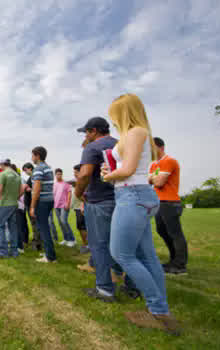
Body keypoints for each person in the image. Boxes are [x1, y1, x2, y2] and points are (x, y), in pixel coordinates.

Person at [103, 93, 180, 335]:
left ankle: (158, 311)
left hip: (132, 196)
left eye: (114, 114)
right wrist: (112, 170)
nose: (113, 119)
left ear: (123, 113)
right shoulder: (137, 133)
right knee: (147, 257)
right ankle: (160, 310)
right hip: (135, 194)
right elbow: (130, 168)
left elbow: (126, 170)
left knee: (121, 253)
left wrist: (108, 175)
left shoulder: (135, 132)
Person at [75, 116, 137, 301]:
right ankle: (132, 286)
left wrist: (78, 193)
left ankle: (104, 289)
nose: (86, 136)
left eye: (86, 132)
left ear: (93, 131)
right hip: (124, 199)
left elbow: (85, 174)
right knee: (126, 245)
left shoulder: (92, 147)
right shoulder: (121, 144)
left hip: (99, 201)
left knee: (99, 245)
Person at [149, 137, 188, 276]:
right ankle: (174, 260)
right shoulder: (154, 164)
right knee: (162, 230)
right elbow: (149, 180)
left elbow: (158, 182)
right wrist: (154, 178)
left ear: (161, 147)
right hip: (159, 202)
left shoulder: (169, 161)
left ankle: (180, 266)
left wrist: (154, 178)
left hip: (170, 202)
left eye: (151, 147)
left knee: (175, 234)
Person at [29, 147, 57, 263]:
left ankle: (50, 257)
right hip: (49, 200)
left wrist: (32, 206)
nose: (31, 158)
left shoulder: (39, 168)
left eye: (32, 155)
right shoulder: (48, 167)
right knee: (45, 227)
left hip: (42, 201)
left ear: (37, 156)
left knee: (43, 228)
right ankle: (48, 252)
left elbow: (37, 188)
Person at [0, 159, 23, 258]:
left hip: (4, 204)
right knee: (13, 228)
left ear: (2, 165)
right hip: (14, 204)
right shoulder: (17, 175)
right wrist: (15, 198)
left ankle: (3, 252)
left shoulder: (3, 174)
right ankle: (14, 252)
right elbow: (21, 189)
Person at [53, 168, 76, 247]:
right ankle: (66, 239)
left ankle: (72, 239)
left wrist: (68, 203)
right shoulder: (54, 184)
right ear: (55, 175)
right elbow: (54, 195)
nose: (59, 175)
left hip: (64, 205)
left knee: (64, 221)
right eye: (57, 174)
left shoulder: (66, 183)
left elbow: (69, 193)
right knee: (60, 223)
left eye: (60, 174)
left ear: (62, 174)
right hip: (56, 206)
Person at [22, 163, 41, 251]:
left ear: (30, 168)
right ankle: (37, 241)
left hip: (31, 204)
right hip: (29, 203)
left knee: (35, 224)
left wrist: (29, 189)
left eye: (25, 170)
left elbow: (37, 189)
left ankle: (36, 243)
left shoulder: (34, 176)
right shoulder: (31, 177)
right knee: (34, 223)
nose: (25, 172)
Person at [71, 166, 89, 254]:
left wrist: (83, 204)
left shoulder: (83, 181)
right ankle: (86, 244)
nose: (74, 174)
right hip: (77, 207)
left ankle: (86, 245)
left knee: (82, 227)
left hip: (82, 208)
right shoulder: (77, 181)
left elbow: (85, 197)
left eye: (76, 172)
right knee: (81, 226)